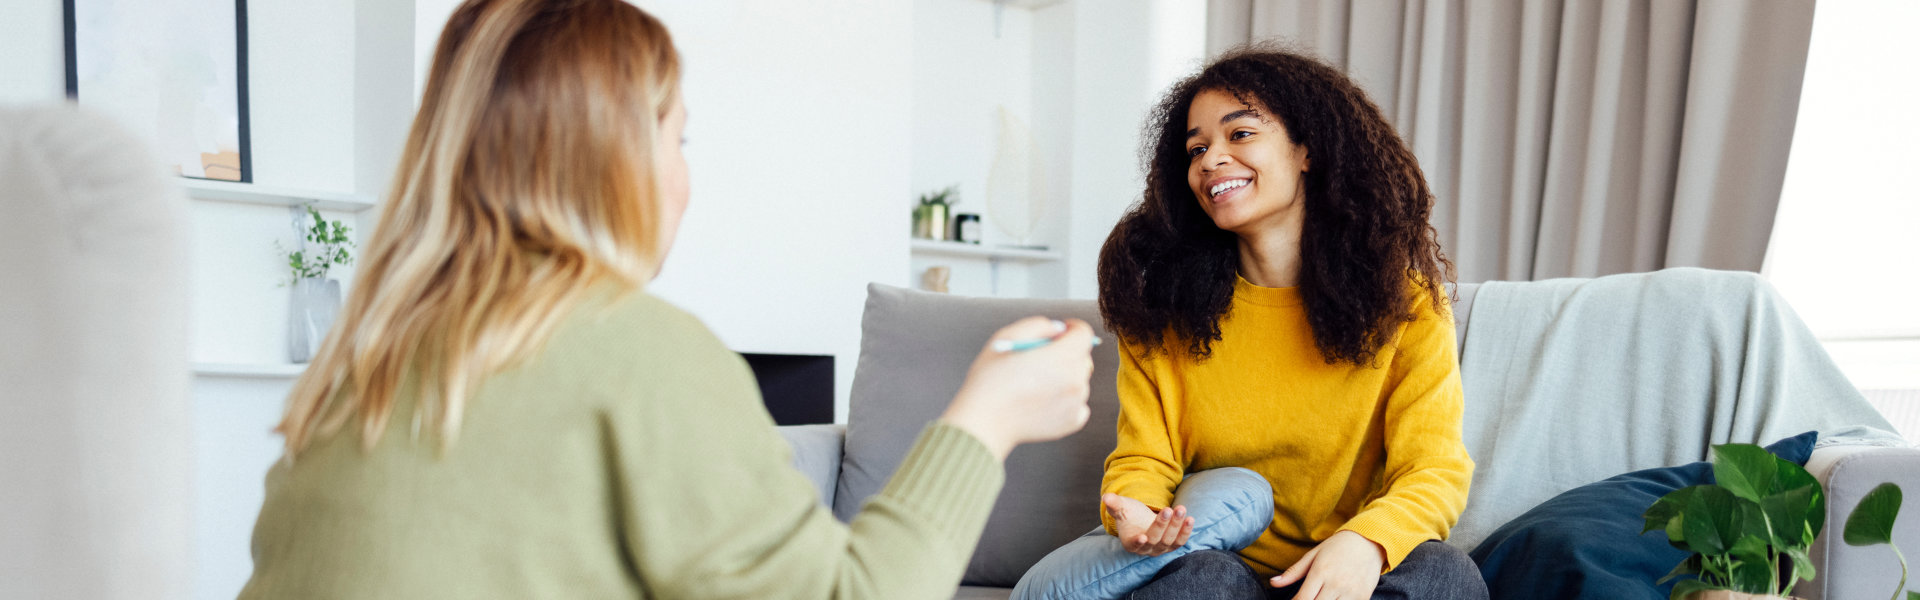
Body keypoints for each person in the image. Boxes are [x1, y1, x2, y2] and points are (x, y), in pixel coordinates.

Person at [238, 0, 1095, 597]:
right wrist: (986, 418)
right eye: (675, 136)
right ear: (609, 158)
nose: (685, 175)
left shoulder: (365, 360)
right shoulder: (633, 345)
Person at [1093, 46, 1487, 600]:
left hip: (1348, 574)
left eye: (1241, 134)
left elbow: (1434, 468)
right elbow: (1144, 457)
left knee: (1444, 573)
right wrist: (1136, 513)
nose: (1211, 160)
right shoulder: (1160, 308)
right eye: (1197, 147)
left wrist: (1367, 544)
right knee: (1202, 579)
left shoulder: (1406, 303)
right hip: (1220, 568)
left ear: (1306, 150)